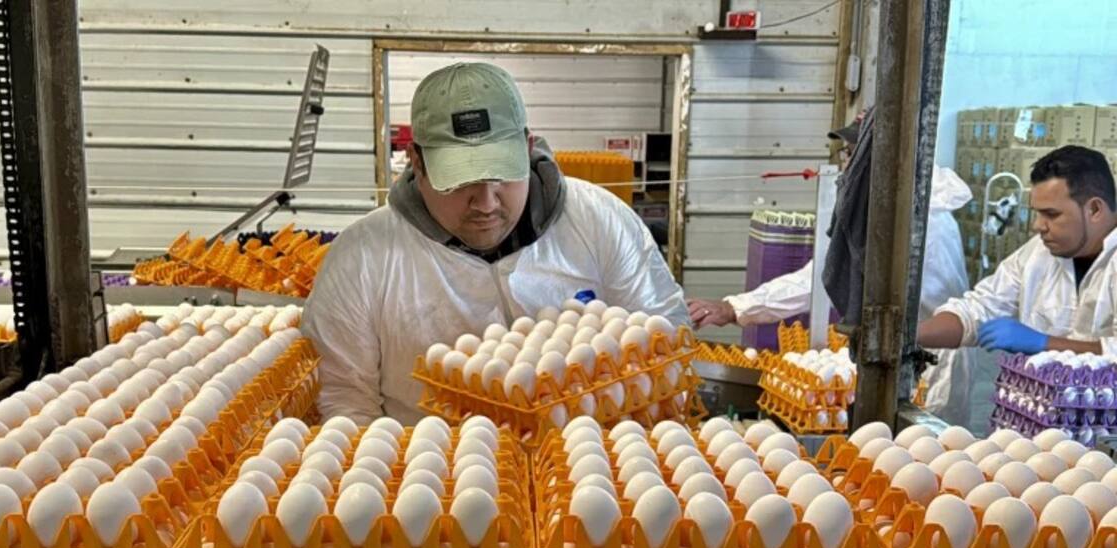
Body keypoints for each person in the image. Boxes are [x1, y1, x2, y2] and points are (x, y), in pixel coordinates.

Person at [301, 62, 688, 424]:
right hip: (438, 483)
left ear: (527, 144)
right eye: (459, 181)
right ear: (416, 162)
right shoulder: (363, 259)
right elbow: (343, 403)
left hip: (589, 479)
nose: (486, 203)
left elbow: (663, 348)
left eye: (502, 173)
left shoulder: (598, 220)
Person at [686, 117, 977, 427]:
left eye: (853, 154)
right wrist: (734, 307)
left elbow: (818, 282)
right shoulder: (894, 205)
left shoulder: (915, 219)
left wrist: (734, 308)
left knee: (919, 456)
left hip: (927, 367)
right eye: (845, 153)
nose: (846, 164)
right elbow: (823, 274)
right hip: (899, 353)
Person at [918, 145, 1117, 356]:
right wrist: (909, 336)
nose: (1038, 225)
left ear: (1094, 209)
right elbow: (981, 308)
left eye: (1051, 214)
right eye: (1037, 213)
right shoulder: (1038, 253)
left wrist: (1045, 343)